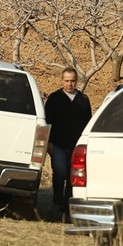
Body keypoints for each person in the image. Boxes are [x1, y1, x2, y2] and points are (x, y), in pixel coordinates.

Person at [43, 68, 92, 217]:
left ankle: (68, 204)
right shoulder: (54, 98)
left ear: (76, 81)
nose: (70, 84)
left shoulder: (83, 100)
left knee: (73, 176)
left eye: (72, 81)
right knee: (59, 171)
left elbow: (88, 123)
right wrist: (49, 142)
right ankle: (56, 202)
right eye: (67, 81)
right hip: (57, 144)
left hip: (76, 146)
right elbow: (47, 121)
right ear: (62, 80)